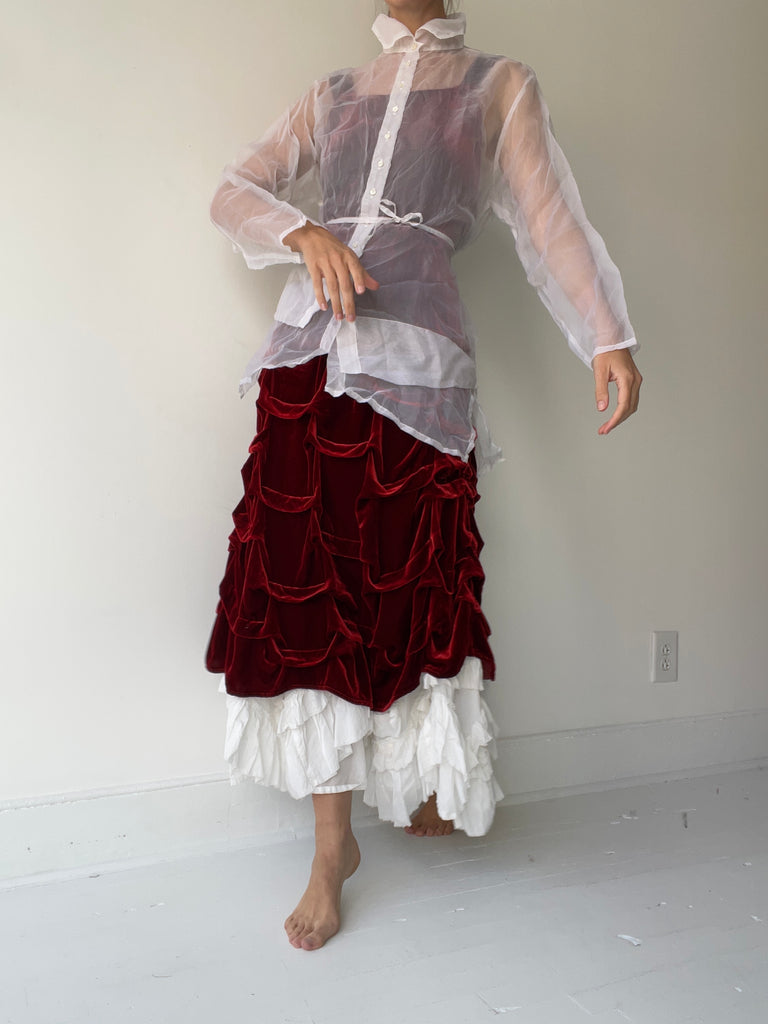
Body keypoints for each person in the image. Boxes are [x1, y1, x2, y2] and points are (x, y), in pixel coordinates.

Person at [204, 0, 642, 951]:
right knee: (309, 593)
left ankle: (420, 782)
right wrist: (304, 233)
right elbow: (232, 190)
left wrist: (607, 335)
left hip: (421, 366)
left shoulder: (497, 84)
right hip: (310, 358)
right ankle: (332, 847)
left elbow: (549, 219)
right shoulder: (331, 95)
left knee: (415, 580)